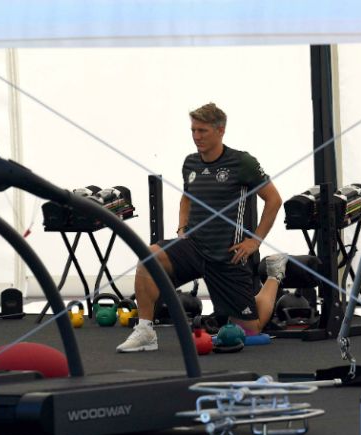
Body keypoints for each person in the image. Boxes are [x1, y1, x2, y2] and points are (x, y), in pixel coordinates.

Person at [117, 102, 288, 352]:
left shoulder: (243, 162)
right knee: (148, 258)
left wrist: (255, 241)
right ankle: (145, 331)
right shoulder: (190, 164)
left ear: (220, 131)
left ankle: (274, 275)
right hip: (194, 247)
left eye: (203, 131)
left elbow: (273, 200)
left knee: (252, 329)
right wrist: (181, 227)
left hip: (229, 255)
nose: (197, 137)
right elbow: (187, 197)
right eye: (193, 130)